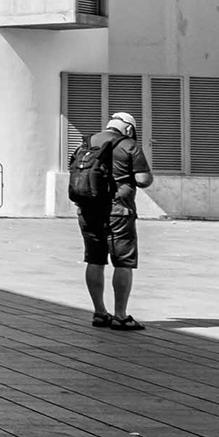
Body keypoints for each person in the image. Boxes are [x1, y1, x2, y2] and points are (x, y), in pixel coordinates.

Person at [72, 105, 154, 328]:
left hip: (88, 209)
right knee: (123, 262)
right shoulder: (129, 145)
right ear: (128, 129)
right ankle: (120, 315)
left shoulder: (86, 143)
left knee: (94, 260)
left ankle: (99, 312)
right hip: (119, 211)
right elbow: (143, 180)